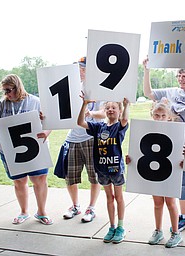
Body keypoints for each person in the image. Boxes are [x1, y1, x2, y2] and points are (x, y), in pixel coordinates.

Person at [0, 74, 53, 225]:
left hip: (35, 148)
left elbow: (48, 120)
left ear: (18, 87)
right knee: (19, 181)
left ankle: (42, 212)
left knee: (40, 179)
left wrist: (46, 132)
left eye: (9, 90)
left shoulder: (35, 102)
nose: (6, 94)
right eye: (4, 91)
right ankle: (24, 211)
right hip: (10, 150)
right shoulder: (2, 104)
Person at [143, 58, 185, 236]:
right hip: (174, 146)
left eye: (184, 75)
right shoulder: (171, 92)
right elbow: (148, 92)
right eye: (178, 75)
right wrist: (147, 69)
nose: (180, 78)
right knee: (181, 184)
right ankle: (184, 217)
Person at [126, 100, 183, 248]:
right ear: (152, 115)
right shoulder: (146, 130)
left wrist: (183, 160)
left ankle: (176, 233)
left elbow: (183, 152)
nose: (159, 118)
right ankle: (158, 230)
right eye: (156, 115)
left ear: (169, 117)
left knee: (170, 202)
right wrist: (131, 158)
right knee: (157, 203)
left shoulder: (175, 131)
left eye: (163, 115)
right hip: (154, 172)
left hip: (169, 171)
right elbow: (139, 151)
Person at [77, 96, 129, 244]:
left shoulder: (119, 126)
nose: (111, 110)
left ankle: (120, 227)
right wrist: (84, 104)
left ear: (119, 111)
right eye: (108, 108)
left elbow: (125, 119)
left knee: (118, 197)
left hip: (116, 168)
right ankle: (111, 226)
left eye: (114, 107)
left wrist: (126, 105)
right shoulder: (99, 127)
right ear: (104, 111)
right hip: (102, 168)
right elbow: (80, 122)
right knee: (109, 198)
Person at [62, 57, 106, 223]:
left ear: (88, 70)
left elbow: (105, 111)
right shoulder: (71, 87)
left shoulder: (100, 88)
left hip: (91, 136)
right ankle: (75, 206)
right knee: (70, 175)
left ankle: (91, 207)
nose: (77, 71)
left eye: (80, 68)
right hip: (73, 136)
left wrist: (91, 114)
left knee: (94, 176)